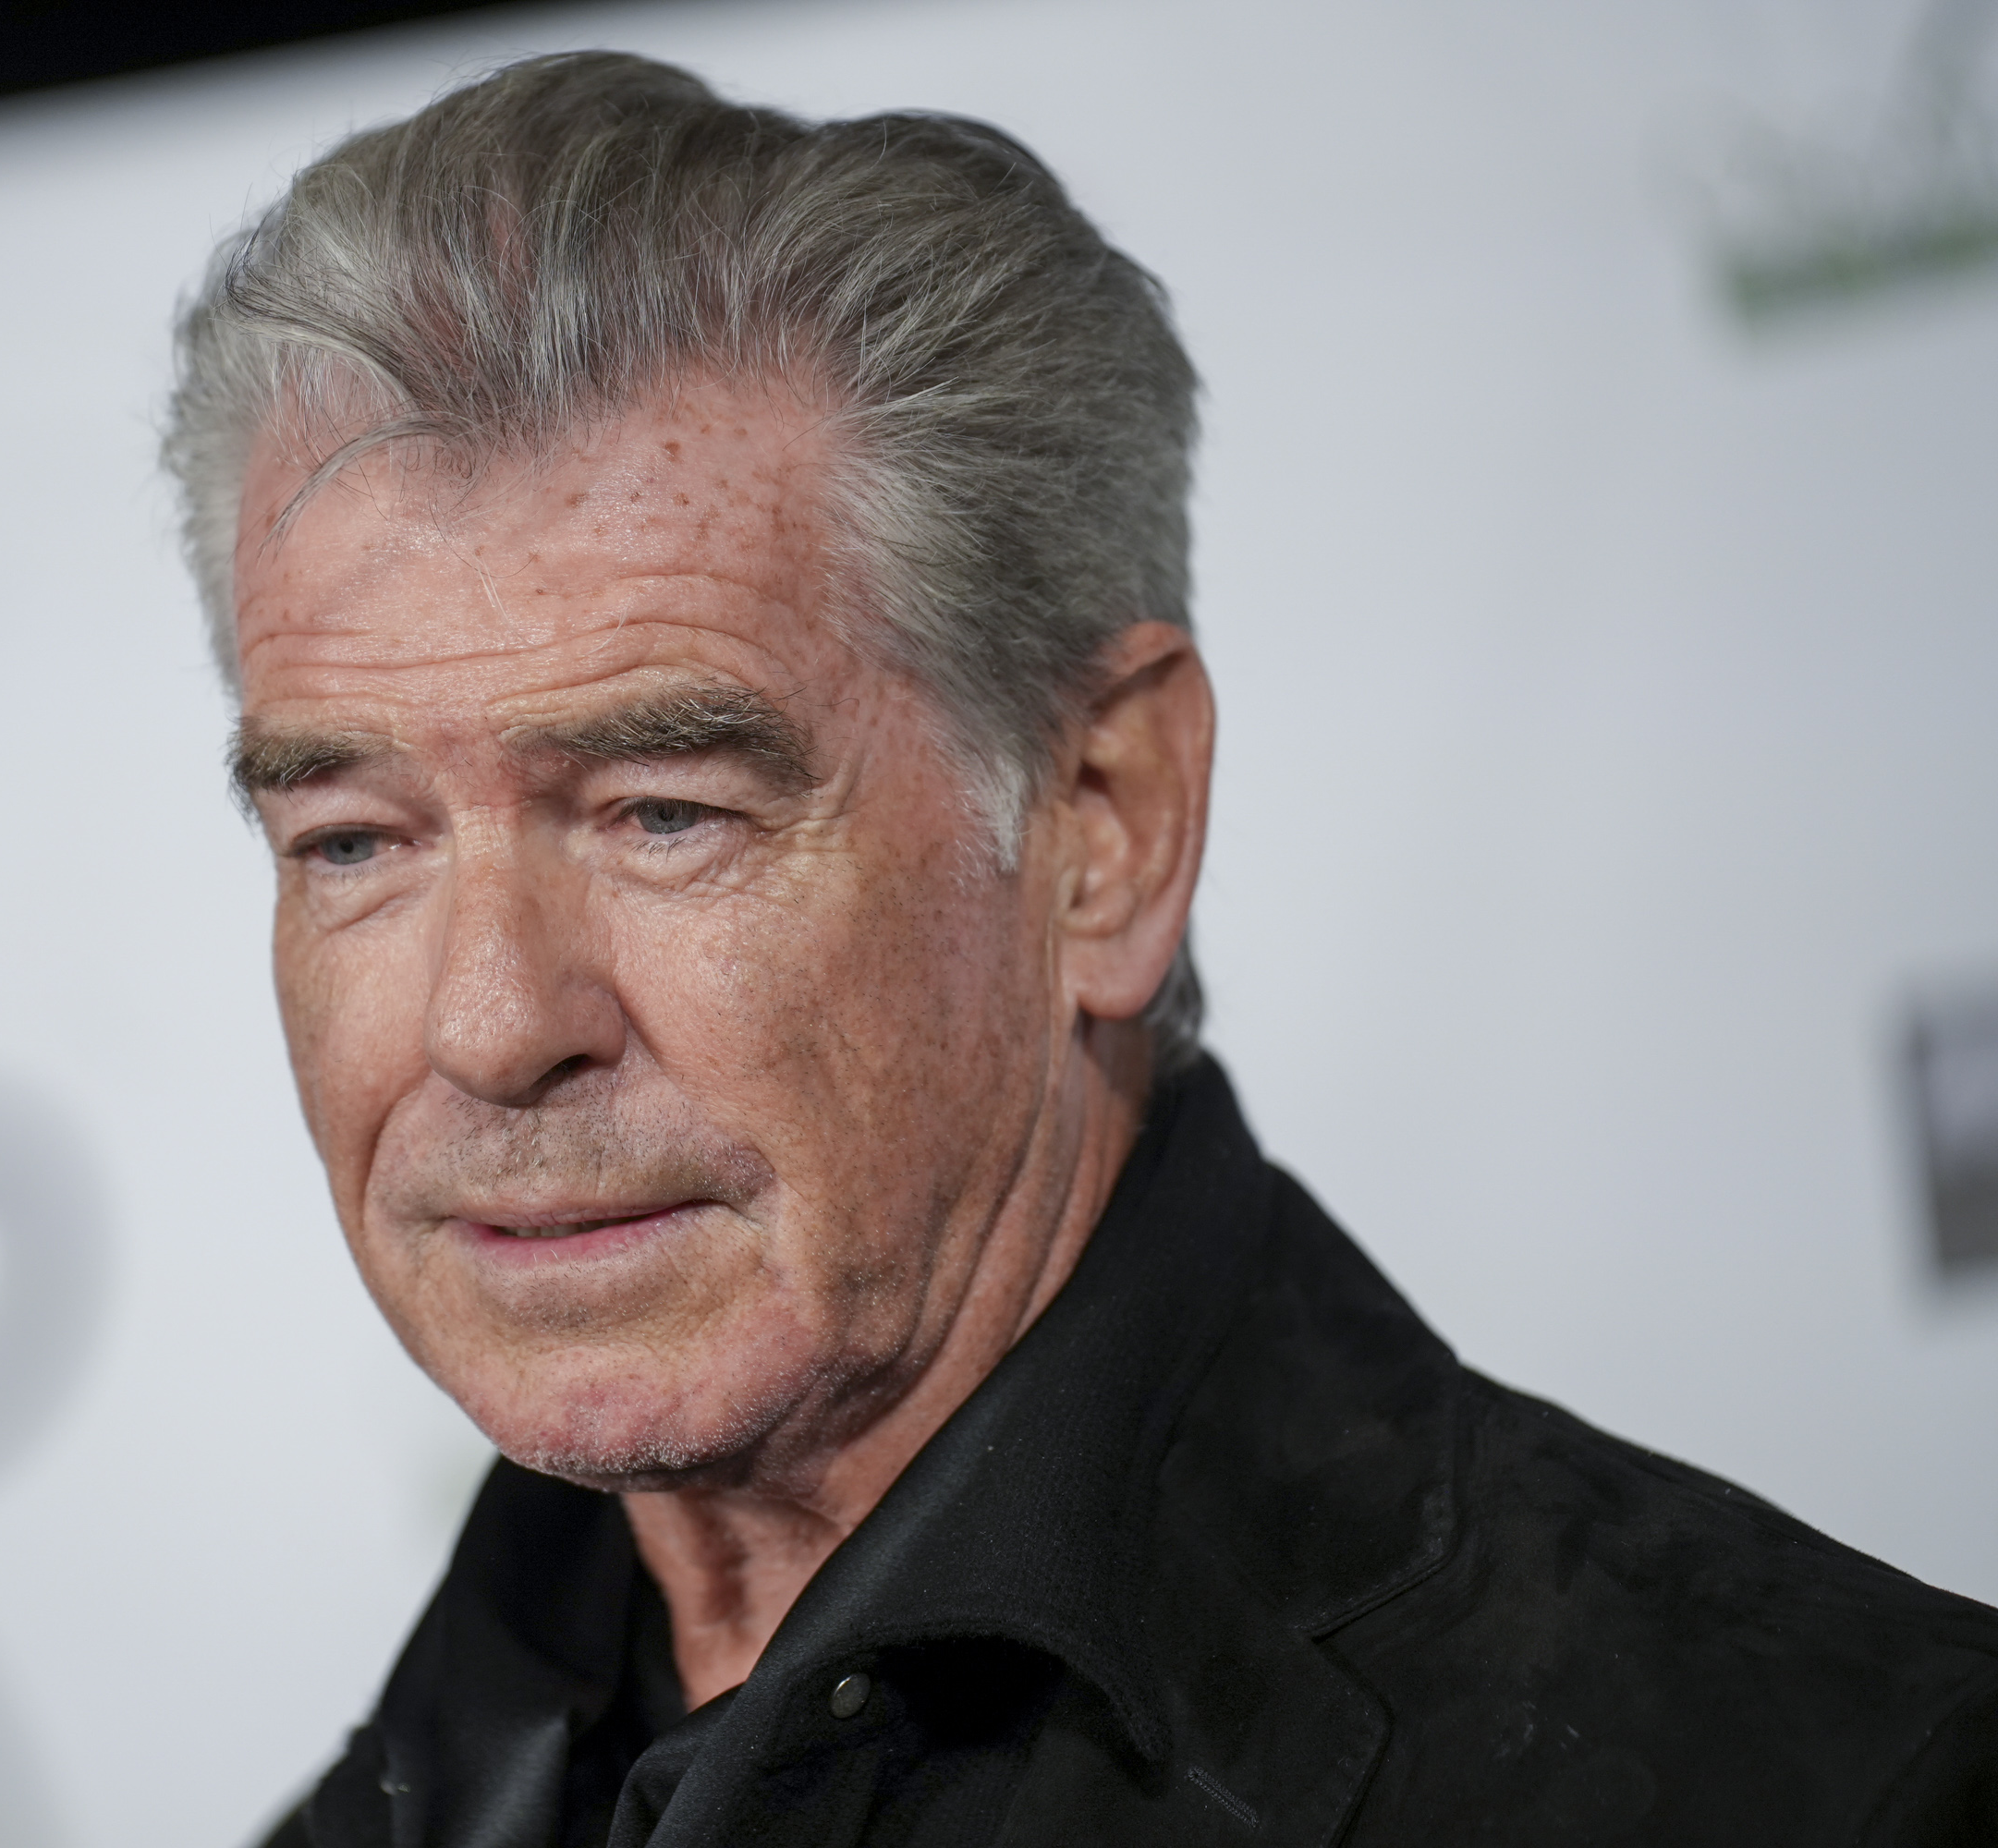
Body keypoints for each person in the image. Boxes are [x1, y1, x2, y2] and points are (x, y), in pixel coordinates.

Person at [164, 52, 1998, 1846]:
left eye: (665, 812)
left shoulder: (1846, 1781)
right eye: (353, 840)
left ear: (1106, 828)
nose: (493, 1023)